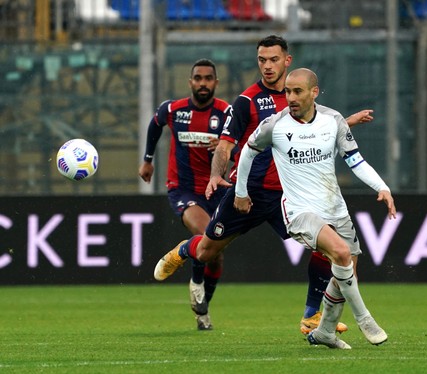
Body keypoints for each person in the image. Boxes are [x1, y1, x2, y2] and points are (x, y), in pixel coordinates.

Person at [153, 35, 374, 334]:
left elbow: (317, 130)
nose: (267, 66)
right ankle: (183, 251)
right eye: (261, 60)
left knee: (328, 248)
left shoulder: (300, 95)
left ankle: (311, 316)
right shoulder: (246, 101)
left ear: (287, 60)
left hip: (288, 197)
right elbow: (225, 145)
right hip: (247, 193)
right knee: (207, 251)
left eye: (273, 60)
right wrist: (217, 175)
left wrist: (347, 122)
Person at [234, 67, 396, 349]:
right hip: (300, 211)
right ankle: (365, 318)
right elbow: (248, 150)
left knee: (347, 274)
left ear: (314, 92)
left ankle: (324, 332)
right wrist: (240, 191)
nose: (291, 97)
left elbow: (355, 160)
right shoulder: (275, 125)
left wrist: (382, 187)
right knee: (342, 254)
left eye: (297, 91)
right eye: (287, 91)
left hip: (335, 207)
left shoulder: (332, 120)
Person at [139, 58, 233, 330]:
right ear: (190, 82)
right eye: (198, 78)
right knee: (206, 233)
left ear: (216, 82)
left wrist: (228, 147)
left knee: (216, 254)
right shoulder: (174, 109)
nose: (203, 83)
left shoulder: (226, 114)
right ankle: (196, 280)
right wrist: (147, 159)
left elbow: (241, 146)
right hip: (183, 188)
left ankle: (203, 312)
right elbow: (155, 124)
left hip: (216, 189)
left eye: (208, 78)